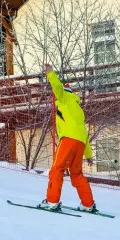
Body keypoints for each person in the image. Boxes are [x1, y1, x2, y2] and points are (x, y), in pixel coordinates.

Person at [39, 64, 97, 212]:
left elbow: (57, 87)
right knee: (77, 174)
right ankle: (88, 204)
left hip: (68, 141)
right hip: (80, 144)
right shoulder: (78, 109)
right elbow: (84, 133)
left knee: (57, 169)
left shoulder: (64, 98)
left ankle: (52, 201)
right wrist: (88, 155)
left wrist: (50, 74)